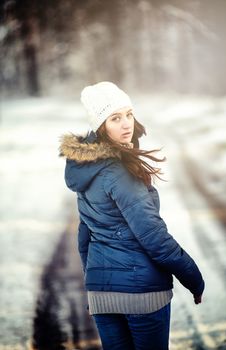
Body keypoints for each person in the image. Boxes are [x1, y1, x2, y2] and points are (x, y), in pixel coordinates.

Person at [59, 81, 205, 350]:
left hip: (102, 294)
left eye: (128, 114)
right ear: (101, 126)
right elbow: (154, 238)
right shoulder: (119, 173)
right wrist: (194, 278)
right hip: (142, 293)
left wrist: (95, 282)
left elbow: (85, 236)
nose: (126, 123)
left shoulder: (87, 169)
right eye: (115, 118)